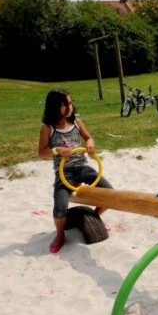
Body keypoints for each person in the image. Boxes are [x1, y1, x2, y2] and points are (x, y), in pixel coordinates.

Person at [37, 89, 113, 254]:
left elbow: (88, 137)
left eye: (70, 103)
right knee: (60, 208)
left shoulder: (77, 122)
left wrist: (90, 143)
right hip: (64, 172)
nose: (69, 107)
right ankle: (60, 234)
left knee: (109, 193)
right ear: (53, 107)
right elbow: (41, 153)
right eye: (64, 105)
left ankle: (94, 217)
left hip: (82, 167)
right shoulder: (48, 128)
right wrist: (56, 150)